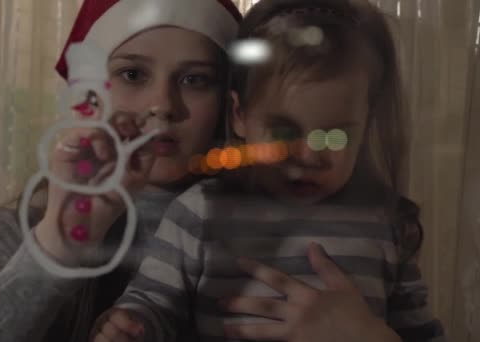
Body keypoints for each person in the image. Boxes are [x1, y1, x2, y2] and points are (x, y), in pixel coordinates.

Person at [94, 0, 447, 341]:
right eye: (283, 132)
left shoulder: (386, 223)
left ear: (365, 124)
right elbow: (153, 302)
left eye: (335, 135)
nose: (308, 155)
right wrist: (129, 324)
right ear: (240, 115)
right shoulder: (199, 213)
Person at [0, 1, 242, 341]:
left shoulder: (266, 230)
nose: (163, 105)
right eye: (133, 74)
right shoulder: (21, 231)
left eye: (196, 80)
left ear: (229, 101)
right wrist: (56, 249)